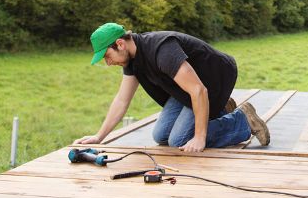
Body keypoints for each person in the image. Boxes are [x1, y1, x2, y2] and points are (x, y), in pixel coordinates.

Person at [74, 22, 270, 153]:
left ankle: (242, 120)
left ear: (120, 44)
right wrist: (99, 137)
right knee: (161, 135)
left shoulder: (161, 50)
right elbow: (122, 100)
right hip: (186, 88)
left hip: (213, 78)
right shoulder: (132, 61)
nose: (108, 63)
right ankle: (218, 110)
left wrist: (200, 138)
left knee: (179, 139)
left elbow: (199, 90)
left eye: (107, 56)